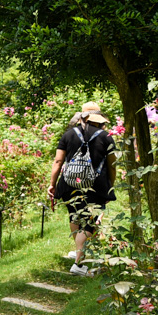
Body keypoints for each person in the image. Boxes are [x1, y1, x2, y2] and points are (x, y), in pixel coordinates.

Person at [47, 102, 118, 275]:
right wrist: (111, 186)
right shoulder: (106, 137)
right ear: (98, 118)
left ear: (82, 117)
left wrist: (52, 184)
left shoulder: (68, 134)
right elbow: (112, 165)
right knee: (90, 224)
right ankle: (78, 265)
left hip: (69, 183)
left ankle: (78, 252)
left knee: (75, 216)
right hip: (95, 186)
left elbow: (58, 161)